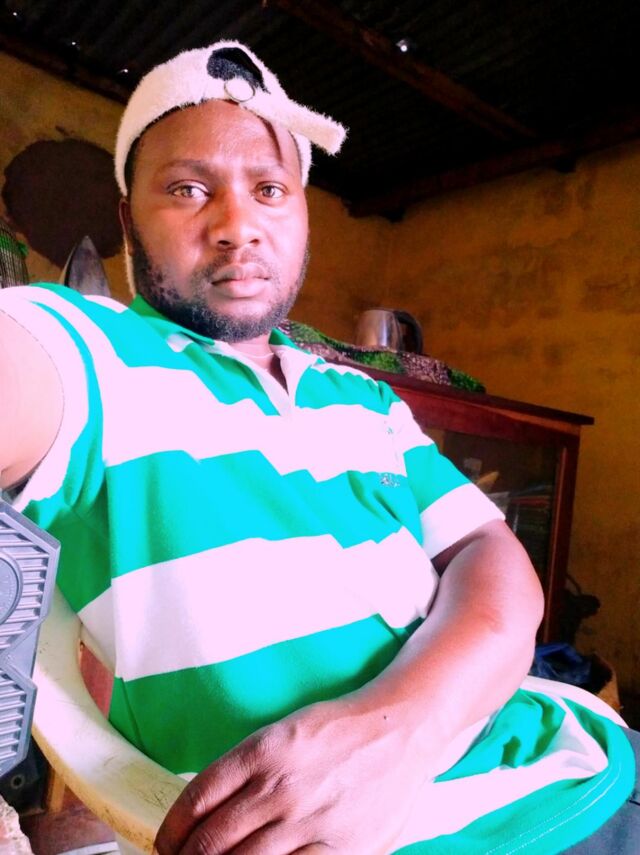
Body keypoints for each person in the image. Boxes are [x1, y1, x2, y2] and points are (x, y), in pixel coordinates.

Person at [0, 41, 637, 855]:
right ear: (129, 223)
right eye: (188, 188)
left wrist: (401, 727)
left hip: (573, 757)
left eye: (269, 189)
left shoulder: (363, 397)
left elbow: (490, 550)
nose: (237, 226)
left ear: (302, 216)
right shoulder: (96, 354)